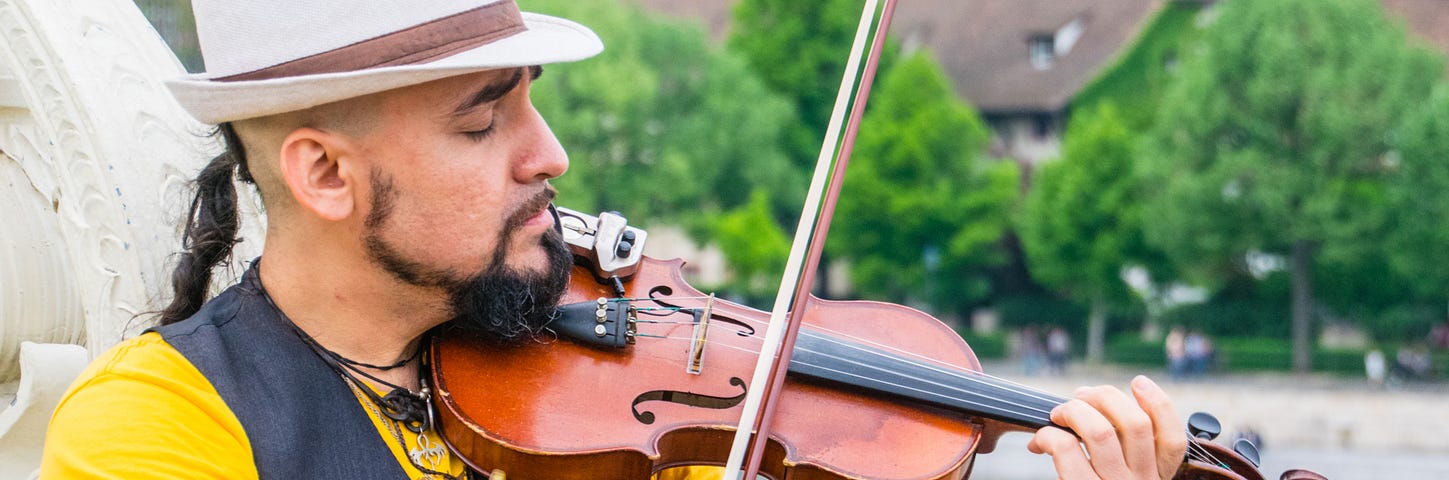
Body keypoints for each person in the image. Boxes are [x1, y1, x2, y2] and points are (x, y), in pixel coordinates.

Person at [40, 1, 1189, 479]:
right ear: (325, 175)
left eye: (531, 99)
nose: (552, 156)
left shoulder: (606, 389)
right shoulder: (160, 427)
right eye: (485, 117)